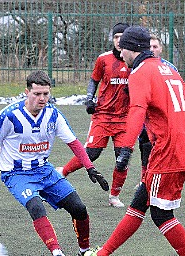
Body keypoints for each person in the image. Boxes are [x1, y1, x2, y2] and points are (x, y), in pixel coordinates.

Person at [83, 26, 185, 256]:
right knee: (141, 201)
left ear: (130, 49)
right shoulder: (169, 69)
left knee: (162, 214)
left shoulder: (140, 72)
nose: (121, 54)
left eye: (122, 50)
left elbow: (137, 111)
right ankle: (102, 255)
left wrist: (126, 150)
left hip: (169, 151)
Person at [0, 70, 109, 256]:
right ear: (27, 92)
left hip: (45, 171)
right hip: (16, 174)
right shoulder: (10, 115)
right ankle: (57, 253)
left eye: (45, 94)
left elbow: (73, 143)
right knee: (36, 206)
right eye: (37, 94)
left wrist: (90, 168)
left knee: (79, 208)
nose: (42, 98)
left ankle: (84, 250)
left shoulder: (53, 115)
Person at [56, 23, 131, 208]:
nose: (119, 40)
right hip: (102, 116)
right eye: (116, 37)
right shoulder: (103, 59)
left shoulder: (135, 62)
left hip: (125, 119)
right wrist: (89, 98)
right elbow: (94, 80)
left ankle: (114, 196)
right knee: (92, 153)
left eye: (123, 36)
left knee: (122, 159)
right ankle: (63, 172)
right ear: (112, 39)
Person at [138, 34, 179, 181]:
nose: (152, 49)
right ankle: (144, 179)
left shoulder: (170, 68)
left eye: (155, 47)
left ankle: (163, 176)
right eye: (149, 47)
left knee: (164, 148)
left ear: (161, 49)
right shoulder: (140, 68)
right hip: (146, 118)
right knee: (145, 146)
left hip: (164, 117)